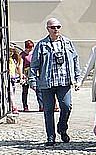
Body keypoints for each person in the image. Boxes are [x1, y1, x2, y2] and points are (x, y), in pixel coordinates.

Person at [31, 18, 81, 146]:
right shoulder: (42, 45)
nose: (56, 29)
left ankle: (62, 127)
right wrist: (33, 81)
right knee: (48, 110)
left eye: (58, 27)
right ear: (48, 29)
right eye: (53, 27)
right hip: (47, 82)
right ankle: (50, 136)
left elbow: (75, 60)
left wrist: (77, 77)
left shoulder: (67, 43)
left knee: (66, 106)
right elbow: (34, 64)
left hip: (64, 82)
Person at [20, 40, 39, 112]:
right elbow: (20, 65)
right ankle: (25, 106)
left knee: (37, 89)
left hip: (34, 73)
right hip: (26, 73)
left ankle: (41, 105)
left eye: (31, 47)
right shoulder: (22, 55)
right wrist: (21, 74)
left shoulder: (34, 54)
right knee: (25, 91)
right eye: (29, 47)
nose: (30, 49)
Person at [8, 46, 22, 114]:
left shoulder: (13, 60)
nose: (10, 52)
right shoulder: (6, 59)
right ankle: (14, 106)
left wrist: (20, 76)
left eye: (12, 51)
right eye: (9, 51)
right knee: (10, 93)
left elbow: (17, 68)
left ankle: (11, 106)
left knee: (12, 93)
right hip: (8, 78)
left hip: (13, 78)